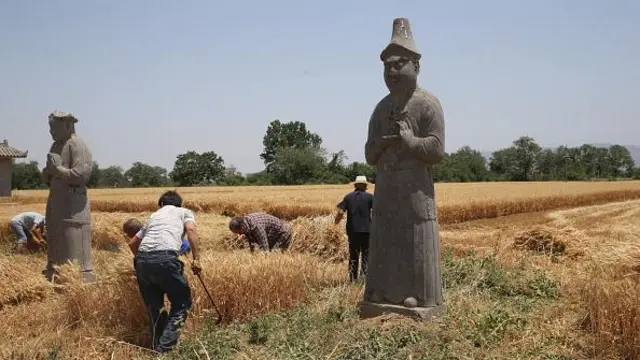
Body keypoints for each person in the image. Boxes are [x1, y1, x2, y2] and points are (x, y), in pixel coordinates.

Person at [126, 190, 202, 353]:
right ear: (179, 203)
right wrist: (196, 260)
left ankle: (157, 346)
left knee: (155, 307)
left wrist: (146, 261)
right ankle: (164, 350)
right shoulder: (184, 212)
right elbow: (191, 230)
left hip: (142, 262)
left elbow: (133, 243)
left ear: (161, 204)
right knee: (182, 303)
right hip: (166, 259)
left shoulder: (154, 216)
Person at [335, 175, 374, 282]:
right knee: (366, 254)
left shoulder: (348, 197)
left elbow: (340, 212)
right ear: (365, 186)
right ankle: (364, 277)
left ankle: (353, 279)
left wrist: (335, 223)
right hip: (367, 231)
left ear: (355, 185)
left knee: (354, 254)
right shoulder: (370, 197)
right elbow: (377, 212)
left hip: (353, 231)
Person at [123, 218, 191, 256]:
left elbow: (132, 245)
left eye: (128, 234)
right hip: (185, 245)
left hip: (182, 249)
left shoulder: (144, 239)